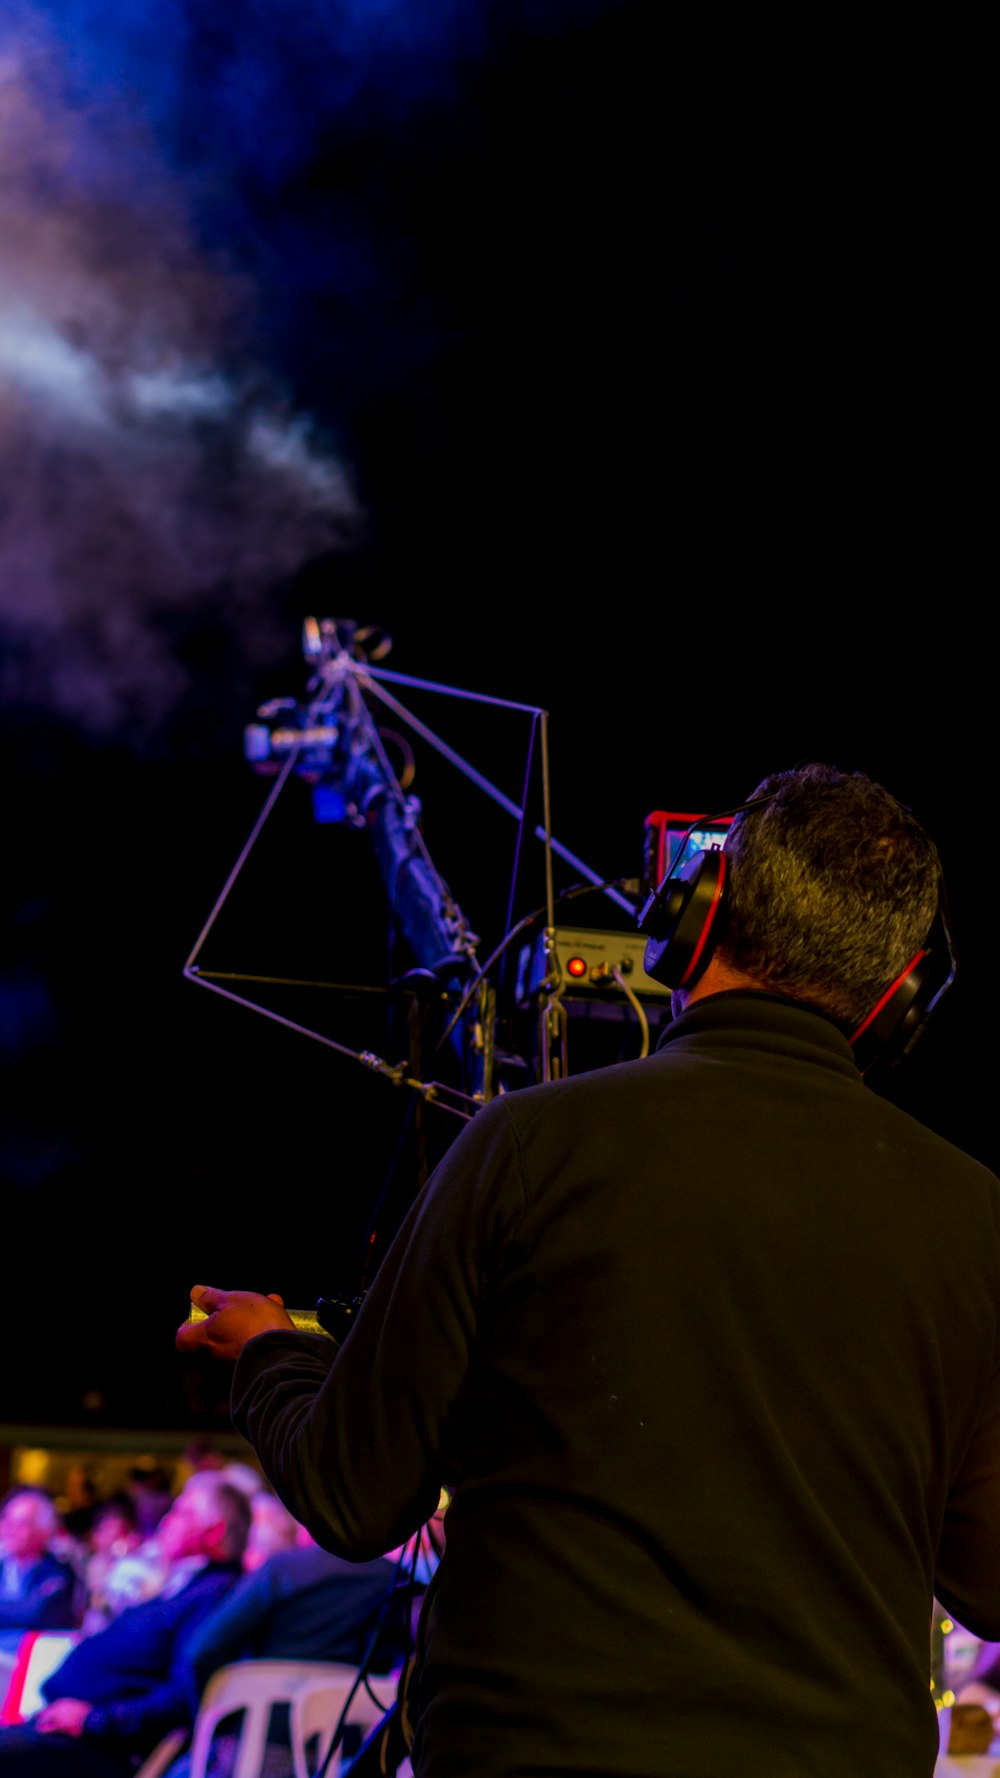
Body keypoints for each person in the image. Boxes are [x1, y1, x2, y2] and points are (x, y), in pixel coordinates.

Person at [175, 762, 1000, 1778]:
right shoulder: (976, 1214)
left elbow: (355, 1495)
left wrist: (267, 1352)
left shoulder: (528, 1144)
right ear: (899, 993)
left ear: (698, 914)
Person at [0, 1472, 251, 1775]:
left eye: (183, 1512)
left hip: (101, 1745)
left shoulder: (216, 1594)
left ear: (214, 1533)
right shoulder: (190, 1587)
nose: (167, 1520)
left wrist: (94, 1719)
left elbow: (182, 1695)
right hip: (68, 1732)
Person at [0, 1488, 79, 1632]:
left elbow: (35, 1613)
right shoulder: (3, 1565)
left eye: (22, 1523)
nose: (9, 1529)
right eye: (6, 1519)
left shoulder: (59, 1571)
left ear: (46, 1530)